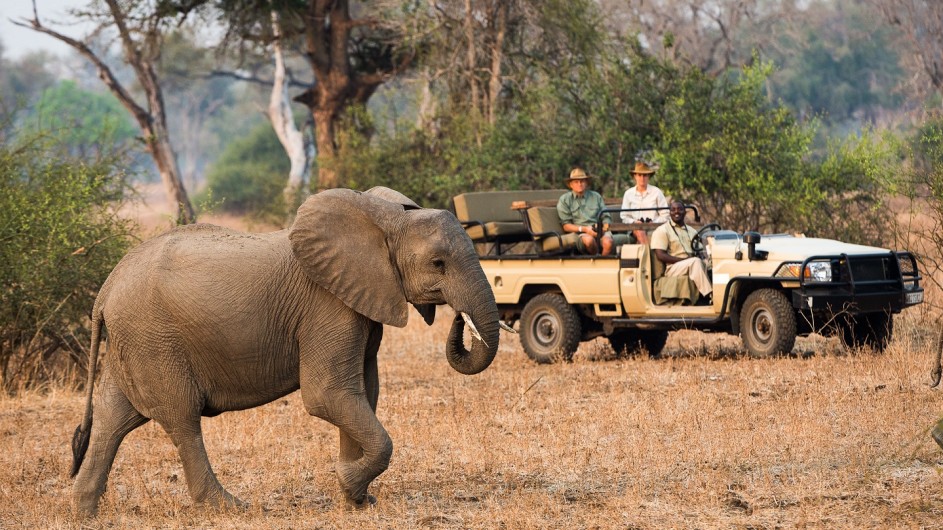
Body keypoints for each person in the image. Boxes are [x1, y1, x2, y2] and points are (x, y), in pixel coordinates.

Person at [650, 200, 712, 304]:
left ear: (685, 212)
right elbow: (660, 255)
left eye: (680, 209)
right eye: (673, 209)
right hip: (673, 267)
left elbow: (699, 250)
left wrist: (707, 260)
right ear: (670, 212)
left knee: (712, 263)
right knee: (695, 262)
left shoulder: (692, 231)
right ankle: (710, 296)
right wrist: (684, 260)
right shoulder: (662, 230)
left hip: (690, 262)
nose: (676, 212)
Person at [557, 167, 615, 256]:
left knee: (608, 242)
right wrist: (584, 229)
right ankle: (597, 261)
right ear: (571, 184)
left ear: (586, 183)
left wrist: (603, 228)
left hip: (599, 229)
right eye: (576, 182)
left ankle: (601, 264)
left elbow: (606, 216)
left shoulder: (596, 196)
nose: (579, 184)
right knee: (589, 240)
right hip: (580, 233)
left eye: (582, 181)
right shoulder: (565, 199)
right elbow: (566, 226)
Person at [620, 161, 668, 244]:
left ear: (648, 176)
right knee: (640, 231)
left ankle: (646, 255)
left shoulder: (656, 192)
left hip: (654, 228)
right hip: (635, 228)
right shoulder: (628, 194)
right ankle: (648, 255)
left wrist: (654, 222)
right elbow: (624, 216)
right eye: (639, 175)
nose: (642, 178)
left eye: (645, 175)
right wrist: (634, 222)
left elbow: (666, 215)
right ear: (635, 176)